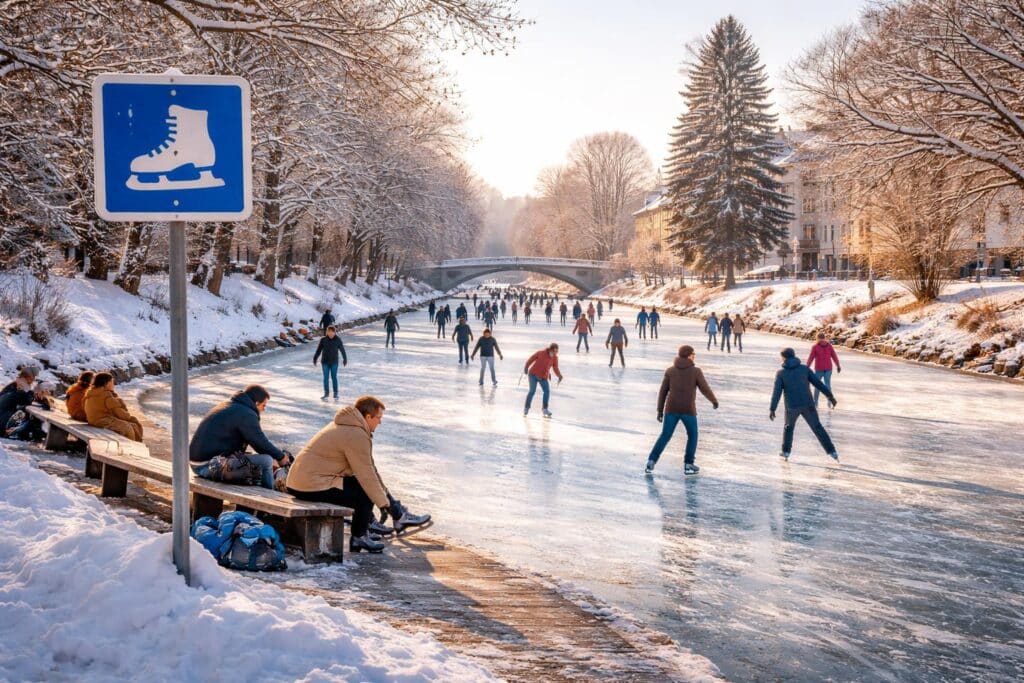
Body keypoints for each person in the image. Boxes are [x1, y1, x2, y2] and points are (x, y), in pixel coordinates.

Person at [287, 396, 430, 554]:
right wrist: (385, 504)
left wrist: (389, 505)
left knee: (361, 485)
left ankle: (387, 520)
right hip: (309, 484)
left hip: (302, 482)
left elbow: (370, 470)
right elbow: (367, 476)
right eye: (378, 418)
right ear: (368, 417)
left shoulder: (348, 426)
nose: (380, 422)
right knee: (363, 489)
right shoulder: (355, 434)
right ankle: (360, 536)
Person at [190, 384, 292, 489]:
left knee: (255, 462)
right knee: (266, 461)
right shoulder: (246, 414)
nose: (264, 409)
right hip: (208, 465)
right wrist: (280, 457)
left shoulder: (231, 406)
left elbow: (258, 441)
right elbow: (259, 442)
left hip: (200, 462)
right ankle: (269, 497)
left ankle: (251, 500)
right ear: (256, 403)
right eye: (264, 405)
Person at [646, 345, 719, 475]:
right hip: (688, 410)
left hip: (671, 409)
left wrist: (660, 410)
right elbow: (705, 388)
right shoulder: (696, 371)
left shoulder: (670, 371)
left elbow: (663, 392)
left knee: (665, 436)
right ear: (689, 355)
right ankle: (688, 464)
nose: (694, 355)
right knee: (693, 435)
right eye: (693, 353)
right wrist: (713, 400)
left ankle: (651, 461)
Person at [770, 348, 839, 462]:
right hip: (808, 405)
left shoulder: (781, 373)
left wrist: (772, 409)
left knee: (788, 428)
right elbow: (818, 383)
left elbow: (776, 392)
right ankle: (832, 451)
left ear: (784, 357)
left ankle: (786, 452)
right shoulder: (804, 369)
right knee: (817, 427)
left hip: (792, 407)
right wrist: (830, 396)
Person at [84, 372, 144, 442]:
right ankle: (130, 448)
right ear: (106, 383)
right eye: (112, 382)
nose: (113, 384)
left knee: (132, 425)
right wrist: (130, 418)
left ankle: (136, 444)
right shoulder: (106, 395)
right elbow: (119, 412)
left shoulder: (92, 392)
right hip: (102, 421)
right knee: (128, 427)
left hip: (93, 420)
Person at [523, 343, 562, 417]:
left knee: (547, 391)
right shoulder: (541, 353)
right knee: (532, 391)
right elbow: (531, 359)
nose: (555, 353)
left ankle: (545, 409)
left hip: (543, 377)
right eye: (554, 351)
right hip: (533, 375)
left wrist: (559, 375)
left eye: (556, 352)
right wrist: (526, 367)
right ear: (550, 349)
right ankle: (526, 408)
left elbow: (555, 368)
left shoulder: (555, 358)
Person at [807, 333, 841, 406]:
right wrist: (838, 365)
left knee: (817, 385)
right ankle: (829, 401)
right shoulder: (829, 346)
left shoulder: (815, 347)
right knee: (827, 385)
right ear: (824, 338)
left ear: (817, 338)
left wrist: (806, 367)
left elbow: (811, 358)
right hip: (828, 368)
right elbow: (834, 356)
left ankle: (815, 402)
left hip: (819, 369)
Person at [0, 366, 39, 432]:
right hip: (3, 420)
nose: (33, 380)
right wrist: (30, 393)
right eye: (33, 377)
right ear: (28, 376)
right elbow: (27, 401)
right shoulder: (21, 386)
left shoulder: (15, 384)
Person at [313, 326, 347, 400]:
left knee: (334, 377)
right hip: (325, 362)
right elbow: (318, 350)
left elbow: (342, 350)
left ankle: (335, 393)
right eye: (329, 332)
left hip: (334, 362)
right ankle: (326, 393)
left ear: (334, 332)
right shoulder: (323, 340)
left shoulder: (338, 340)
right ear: (327, 332)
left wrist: (345, 358)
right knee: (325, 378)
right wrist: (315, 358)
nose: (331, 334)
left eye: (332, 332)